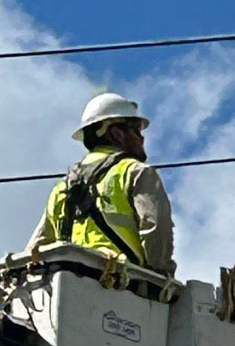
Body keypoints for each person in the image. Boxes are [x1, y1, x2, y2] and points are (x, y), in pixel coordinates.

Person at [31, 92, 175, 277]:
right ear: (117, 134)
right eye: (136, 130)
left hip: (70, 287)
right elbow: (155, 229)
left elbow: (36, 250)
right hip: (121, 285)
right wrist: (161, 278)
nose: (142, 138)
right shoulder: (136, 172)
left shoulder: (62, 188)